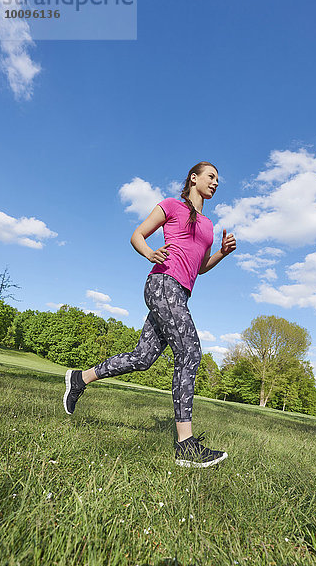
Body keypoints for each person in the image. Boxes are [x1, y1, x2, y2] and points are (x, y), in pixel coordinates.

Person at [63, 161, 236, 468]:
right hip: (162, 284)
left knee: (143, 358)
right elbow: (137, 235)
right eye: (211, 177)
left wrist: (221, 252)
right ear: (193, 179)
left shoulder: (208, 226)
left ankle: (80, 378)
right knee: (191, 352)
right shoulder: (171, 206)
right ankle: (185, 446)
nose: (216, 183)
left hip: (179, 292)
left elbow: (200, 267)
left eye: (218, 180)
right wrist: (150, 253)